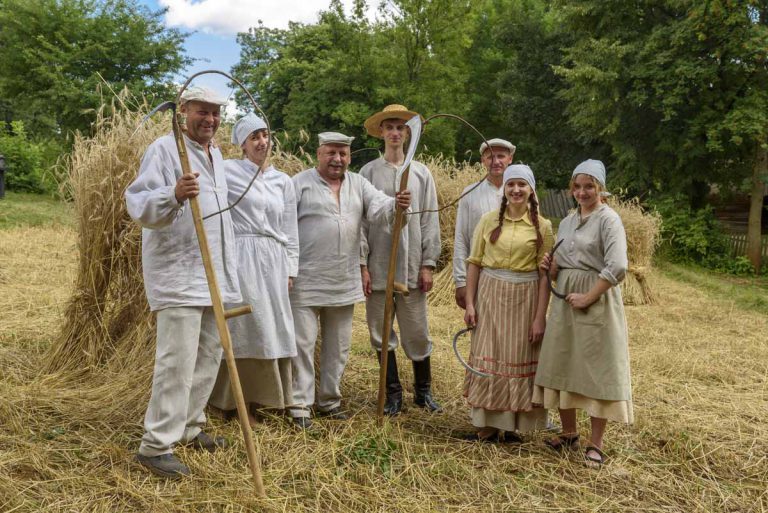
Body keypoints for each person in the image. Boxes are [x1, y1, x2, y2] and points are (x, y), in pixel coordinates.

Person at [125, 86, 238, 478]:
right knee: (177, 361)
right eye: (201, 111)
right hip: (178, 272)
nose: (209, 119)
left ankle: (190, 426)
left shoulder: (216, 155)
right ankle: (155, 446)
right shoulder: (164, 149)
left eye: (216, 113)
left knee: (209, 354)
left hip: (212, 274)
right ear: (184, 111)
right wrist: (173, 194)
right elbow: (138, 203)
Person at [289, 132, 411, 423]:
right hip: (306, 279)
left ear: (349, 157)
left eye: (343, 154)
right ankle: (300, 406)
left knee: (339, 346)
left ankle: (329, 401)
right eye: (331, 152)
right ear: (318, 154)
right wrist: (287, 269)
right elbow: (284, 226)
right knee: (302, 345)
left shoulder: (358, 183)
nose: (337, 159)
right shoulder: (298, 184)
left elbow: (380, 208)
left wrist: (396, 204)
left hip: (343, 279)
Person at [533, 159, 632, 468]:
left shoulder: (608, 219)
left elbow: (617, 265)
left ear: (600, 188)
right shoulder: (567, 220)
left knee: (595, 368)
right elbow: (562, 259)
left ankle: (596, 443)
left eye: (589, 186)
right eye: (577, 186)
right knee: (564, 361)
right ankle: (569, 433)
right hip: (565, 300)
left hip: (596, 299)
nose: (582, 192)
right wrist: (551, 267)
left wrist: (589, 296)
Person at [207, 113, 302, 427]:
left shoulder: (283, 181)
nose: (262, 142)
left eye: (265, 135)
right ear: (243, 145)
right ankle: (237, 403)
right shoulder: (228, 171)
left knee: (274, 326)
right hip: (243, 255)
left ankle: (268, 398)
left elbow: (289, 228)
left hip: (273, 260)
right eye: (254, 137)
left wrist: (290, 268)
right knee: (247, 325)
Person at [360, 104, 442, 416]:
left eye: (400, 128)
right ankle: (392, 393)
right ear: (381, 132)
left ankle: (423, 392)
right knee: (381, 331)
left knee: (417, 330)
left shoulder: (420, 174)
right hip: (380, 263)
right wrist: (363, 265)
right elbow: (362, 223)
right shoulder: (368, 173)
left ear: (408, 133)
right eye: (389, 127)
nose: (395, 132)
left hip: (410, 264)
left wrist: (428, 263)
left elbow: (429, 220)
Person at [462, 164, 553, 442]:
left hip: (525, 298)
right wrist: (470, 303)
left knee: (518, 357)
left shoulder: (543, 227)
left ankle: (513, 425)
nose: (515, 190)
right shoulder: (489, 220)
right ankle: (487, 427)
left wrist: (540, 317)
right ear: (505, 189)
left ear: (531, 190)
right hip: (490, 295)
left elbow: (545, 276)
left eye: (521, 185)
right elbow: (474, 263)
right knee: (490, 355)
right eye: (511, 185)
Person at [453, 138, 515, 309]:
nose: (496, 161)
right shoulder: (469, 193)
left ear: (510, 159)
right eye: (490, 157)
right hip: (480, 277)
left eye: (501, 156)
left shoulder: (522, 192)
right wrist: (461, 281)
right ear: (483, 160)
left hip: (516, 278)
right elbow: (461, 238)